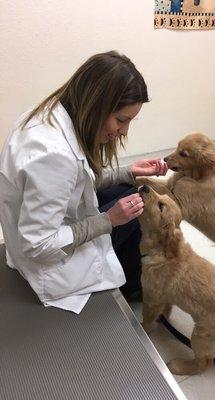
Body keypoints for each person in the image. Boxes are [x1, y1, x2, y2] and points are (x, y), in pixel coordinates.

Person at [0, 51, 168, 313]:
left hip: (34, 230)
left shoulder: (51, 113)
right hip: (46, 264)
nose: (123, 131)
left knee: (127, 190)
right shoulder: (53, 155)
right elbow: (39, 246)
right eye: (121, 120)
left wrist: (127, 171)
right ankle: (133, 289)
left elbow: (78, 181)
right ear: (96, 105)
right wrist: (108, 220)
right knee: (137, 216)